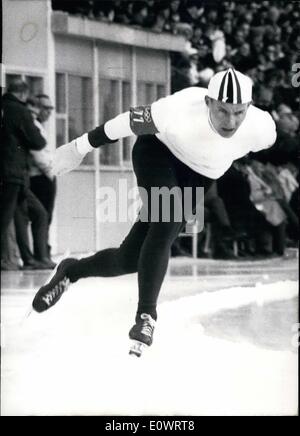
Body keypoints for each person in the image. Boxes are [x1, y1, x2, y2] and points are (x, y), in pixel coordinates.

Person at [32, 68, 276, 350]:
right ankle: (146, 316)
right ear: (208, 102)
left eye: (238, 112)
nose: (230, 121)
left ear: (249, 107)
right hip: (157, 154)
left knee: (130, 259)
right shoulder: (177, 110)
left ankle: (70, 272)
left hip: (197, 176)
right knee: (168, 219)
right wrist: (78, 147)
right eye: (222, 111)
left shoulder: (262, 129)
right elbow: (122, 124)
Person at [1, 80, 47, 270]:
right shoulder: (19, 110)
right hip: (14, 172)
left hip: (9, 172)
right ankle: (25, 259)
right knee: (5, 217)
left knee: (19, 216)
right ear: (22, 94)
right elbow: (38, 141)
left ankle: (27, 259)